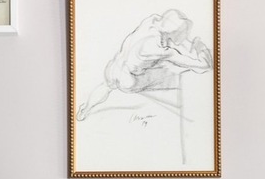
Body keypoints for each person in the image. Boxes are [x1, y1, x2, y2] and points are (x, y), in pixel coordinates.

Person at [76, 8, 213, 121]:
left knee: (107, 86)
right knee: (171, 70)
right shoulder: (161, 50)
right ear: (175, 33)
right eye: (183, 33)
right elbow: (203, 65)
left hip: (113, 69)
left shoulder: (151, 21)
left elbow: (169, 31)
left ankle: (85, 110)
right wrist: (200, 49)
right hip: (129, 82)